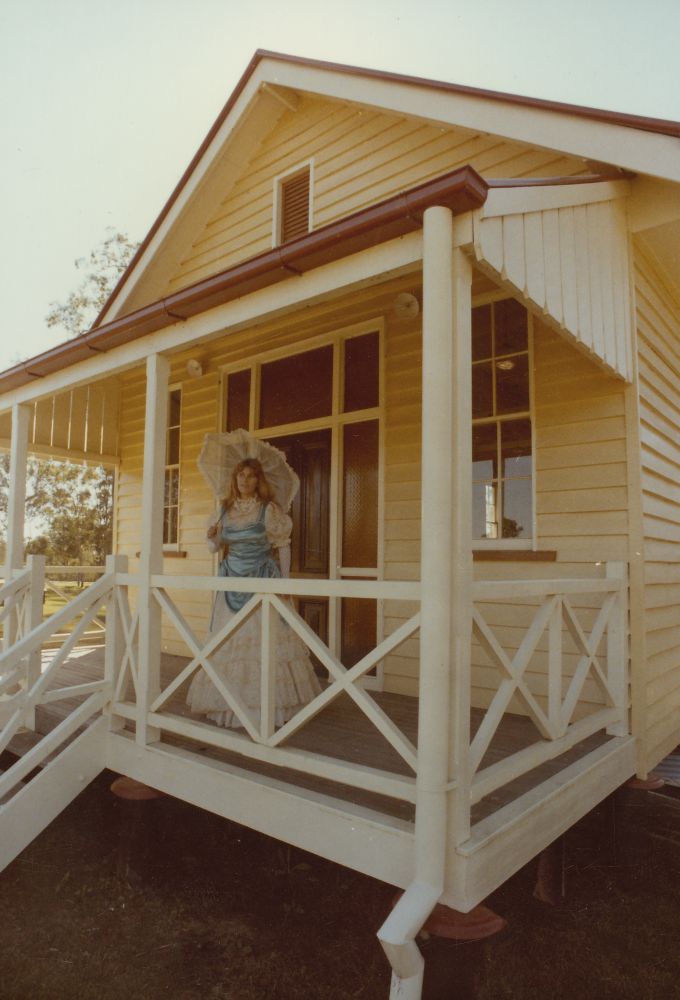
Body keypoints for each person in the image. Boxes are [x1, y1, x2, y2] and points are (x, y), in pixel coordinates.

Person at [186, 457, 322, 729]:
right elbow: (215, 549)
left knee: (264, 641)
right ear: (234, 480)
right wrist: (213, 537)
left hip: (261, 579)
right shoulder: (223, 510)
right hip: (231, 584)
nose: (245, 481)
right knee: (231, 642)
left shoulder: (268, 510)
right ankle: (228, 706)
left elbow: (283, 545)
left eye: (251, 476)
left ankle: (269, 709)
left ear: (258, 481)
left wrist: (284, 583)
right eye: (240, 476)